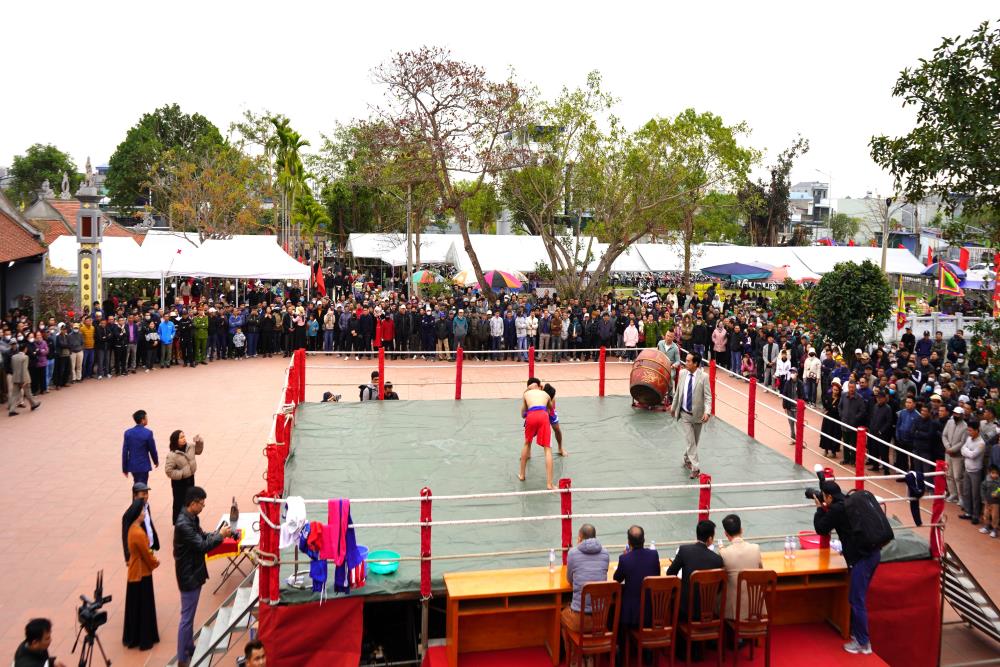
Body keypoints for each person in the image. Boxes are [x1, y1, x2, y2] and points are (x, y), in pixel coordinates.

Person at [812, 481, 880, 655]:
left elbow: (821, 528)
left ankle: (863, 642)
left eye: (824, 496)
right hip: (872, 553)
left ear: (828, 497)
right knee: (856, 598)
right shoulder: (850, 501)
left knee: (857, 600)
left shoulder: (836, 509)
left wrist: (820, 508)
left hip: (861, 559)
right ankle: (859, 637)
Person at [174, 486, 231, 667]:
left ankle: (189, 647)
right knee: (187, 617)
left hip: (193, 572)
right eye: (202, 503)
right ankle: (183, 659)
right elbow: (201, 545)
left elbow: (202, 536)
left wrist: (217, 534)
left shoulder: (191, 518)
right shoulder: (183, 524)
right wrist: (220, 537)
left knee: (189, 615)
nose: (203, 506)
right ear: (193, 504)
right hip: (189, 576)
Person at [666, 520, 724, 624]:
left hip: (685, 611)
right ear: (710, 539)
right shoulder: (717, 559)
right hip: (708, 612)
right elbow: (719, 587)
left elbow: (670, 573)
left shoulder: (684, 550)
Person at [123, 498, 160, 650]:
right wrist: (155, 562)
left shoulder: (131, 528)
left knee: (135, 606)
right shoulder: (138, 532)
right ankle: (145, 638)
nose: (145, 514)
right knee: (144, 606)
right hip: (142, 572)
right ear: (138, 514)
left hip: (134, 570)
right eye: (143, 511)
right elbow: (146, 554)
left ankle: (134, 636)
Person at [561, 524, 610, 636]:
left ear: (579, 538)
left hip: (580, 620)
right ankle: (592, 651)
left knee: (562, 615)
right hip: (600, 619)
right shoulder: (605, 553)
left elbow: (569, 580)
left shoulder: (573, 553)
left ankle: (573, 652)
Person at [671, 353, 713, 479]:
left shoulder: (704, 377)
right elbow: (678, 391)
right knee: (690, 441)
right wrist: (673, 407)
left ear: (695, 364)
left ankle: (686, 458)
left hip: (698, 415)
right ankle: (696, 468)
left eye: (689, 361)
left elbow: (708, 397)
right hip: (685, 414)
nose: (686, 362)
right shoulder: (683, 373)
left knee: (694, 441)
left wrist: (707, 412)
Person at [612, 525, 661, 630]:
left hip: (632, 617)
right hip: (651, 611)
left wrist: (626, 556)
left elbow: (617, 579)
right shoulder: (654, 555)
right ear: (644, 540)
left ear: (628, 542)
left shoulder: (624, 559)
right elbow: (657, 574)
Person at [720, 514, 762, 621]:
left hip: (734, 613)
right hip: (756, 608)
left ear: (726, 534)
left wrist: (721, 549)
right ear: (742, 530)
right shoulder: (756, 549)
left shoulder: (724, 553)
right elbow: (761, 571)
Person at [520, 377, 555, 489]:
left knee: (527, 443)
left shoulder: (526, 395)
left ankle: (522, 475)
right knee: (547, 448)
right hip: (543, 416)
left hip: (531, 415)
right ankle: (549, 484)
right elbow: (551, 411)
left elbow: (522, 414)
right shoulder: (546, 395)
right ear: (540, 387)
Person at [165, 431, 205, 524]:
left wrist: (199, 442)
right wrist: (182, 473)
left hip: (190, 479)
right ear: (176, 440)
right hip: (179, 483)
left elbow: (198, 451)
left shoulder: (190, 447)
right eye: (181, 437)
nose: (184, 439)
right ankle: (178, 523)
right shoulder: (172, 455)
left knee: (191, 501)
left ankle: (191, 520)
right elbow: (168, 471)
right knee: (179, 503)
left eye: (184, 436)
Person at [122, 482, 161, 564]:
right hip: (140, 551)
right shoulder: (131, 513)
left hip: (149, 548)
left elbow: (149, 524)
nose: (146, 496)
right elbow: (125, 535)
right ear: (135, 496)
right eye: (143, 494)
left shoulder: (146, 506)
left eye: (146, 493)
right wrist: (128, 557)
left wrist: (154, 541)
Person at [958, 420, 985, 525]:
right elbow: (962, 449)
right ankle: (968, 512)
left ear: (977, 430)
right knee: (966, 492)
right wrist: (967, 452)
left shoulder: (981, 443)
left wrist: (966, 452)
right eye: (968, 430)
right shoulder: (969, 438)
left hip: (976, 471)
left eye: (970, 430)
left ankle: (975, 515)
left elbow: (973, 455)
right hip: (967, 469)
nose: (969, 432)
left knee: (975, 494)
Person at [123, 409, 158, 484]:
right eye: (146, 418)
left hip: (133, 466)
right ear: (142, 420)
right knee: (142, 485)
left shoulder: (128, 433)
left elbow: (125, 452)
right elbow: (152, 449)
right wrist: (156, 461)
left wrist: (124, 468)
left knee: (136, 482)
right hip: (143, 466)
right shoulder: (148, 433)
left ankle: (135, 495)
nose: (147, 419)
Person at [8, 342, 40, 416]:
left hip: (15, 378)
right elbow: (24, 369)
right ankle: (33, 404)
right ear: (25, 349)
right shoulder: (25, 357)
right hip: (23, 378)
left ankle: (11, 410)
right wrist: (25, 380)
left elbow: (13, 368)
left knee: (15, 395)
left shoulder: (13, 357)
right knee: (28, 393)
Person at [943, 407, 967, 504]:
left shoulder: (965, 426)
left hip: (957, 455)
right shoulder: (949, 422)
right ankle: (953, 493)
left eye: (957, 414)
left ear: (961, 415)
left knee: (958, 476)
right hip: (948, 453)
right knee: (948, 474)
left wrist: (952, 450)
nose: (955, 415)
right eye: (954, 413)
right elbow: (944, 435)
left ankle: (961, 497)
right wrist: (948, 447)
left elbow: (962, 442)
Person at [780, 367, 804, 445]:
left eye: (794, 372)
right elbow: (785, 394)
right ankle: (793, 438)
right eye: (791, 372)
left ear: (797, 374)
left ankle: (799, 439)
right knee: (791, 424)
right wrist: (785, 406)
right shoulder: (787, 383)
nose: (792, 374)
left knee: (798, 424)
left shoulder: (800, 383)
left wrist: (801, 404)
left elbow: (802, 395)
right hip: (790, 407)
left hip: (797, 408)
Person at [821, 381, 844, 457]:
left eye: (837, 390)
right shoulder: (828, 396)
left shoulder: (841, 399)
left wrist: (831, 408)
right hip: (828, 418)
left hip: (836, 419)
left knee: (835, 435)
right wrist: (831, 408)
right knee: (826, 433)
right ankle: (826, 450)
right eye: (834, 389)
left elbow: (838, 409)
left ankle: (833, 452)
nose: (835, 391)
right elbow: (825, 405)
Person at [980, 464, 999, 539]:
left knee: (995, 516)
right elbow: (982, 488)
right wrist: (984, 498)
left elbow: (999, 489)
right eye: (993, 473)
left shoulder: (998, 481)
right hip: (987, 501)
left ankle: (994, 530)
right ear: (989, 473)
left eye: (996, 473)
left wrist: (997, 493)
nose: (995, 475)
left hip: (996, 503)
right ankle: (986, 526)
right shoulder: (986, 481)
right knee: (986, 514)